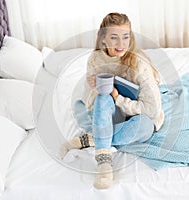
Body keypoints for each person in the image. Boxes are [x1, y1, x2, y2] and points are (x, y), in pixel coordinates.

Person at [60, 12, 164, 190]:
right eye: (114, 38)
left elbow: (152, 111)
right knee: (102, 97)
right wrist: (93, 88)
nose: (121, 44)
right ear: (103, 39)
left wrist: (118, 97)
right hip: (111, 115)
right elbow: (90, 104)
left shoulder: (139, 64)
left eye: (126, 37)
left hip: (139, 117)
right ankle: (104, 165)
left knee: (144, 126)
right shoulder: (95, 59)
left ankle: (93, 139)